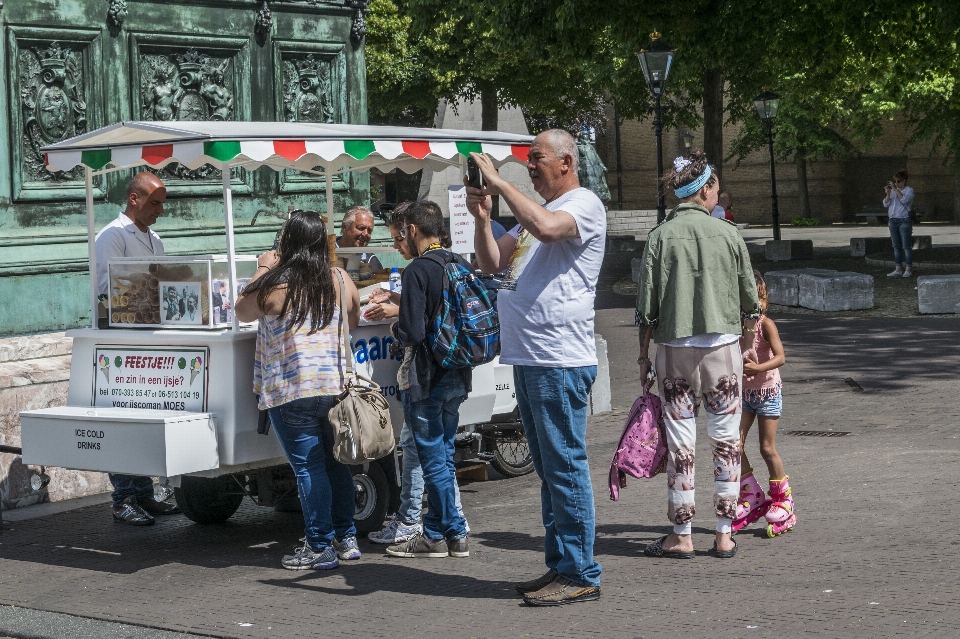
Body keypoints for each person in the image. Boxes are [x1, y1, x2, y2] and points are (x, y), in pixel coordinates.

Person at [466, 129, 605, 606]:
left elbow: (549, 228)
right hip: (530, 357)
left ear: (566, 161)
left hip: (558, 358)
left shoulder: (583, 203)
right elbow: (489, 263)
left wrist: (500, 184)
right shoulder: (529, 219)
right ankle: (561, 565)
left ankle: (580, 572)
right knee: (549, 470)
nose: (529, 167)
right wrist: (483, 219)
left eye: (537, 159)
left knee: (565, 466)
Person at [636, 152, 761, 561]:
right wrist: (746, 339)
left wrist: (642, 356)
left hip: (673, 351)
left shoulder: (659, 237)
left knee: (680, 446)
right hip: (722, 351)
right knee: (726, 441)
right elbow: (749, 300)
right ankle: (725, 532)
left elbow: (647, 308)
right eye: (716, 187)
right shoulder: (728, 234)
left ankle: (682, 532)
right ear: (705, 190)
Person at [235, 210, 362, 570]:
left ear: (287, 243)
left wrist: (263, 266)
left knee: (309, 469)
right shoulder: (339, 278)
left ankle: (319, 545)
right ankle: (345, 538)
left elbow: (242, 310)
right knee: (336, 464)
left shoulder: (278, 284)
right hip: (335, 386)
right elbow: (352, 320)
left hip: (293, 390)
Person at [365, 203, 470, 545]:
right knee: (445, 454)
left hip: (426, 378)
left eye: (401, 234)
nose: (400, 243)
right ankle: (438, 532)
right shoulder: (458, 263)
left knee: (431, 458)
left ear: (412, 229)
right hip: (458, 374)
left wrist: (396, 327)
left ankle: (451, 531)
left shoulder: (417, 270)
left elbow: (412, 331)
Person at [94, 172, 181, 526]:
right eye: (154, 202)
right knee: (122, 418)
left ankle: (144, 494)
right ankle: (123, 497)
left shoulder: (154, 239)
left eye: (162, 203)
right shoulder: (111, 237)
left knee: (145, 416)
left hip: (150, 336)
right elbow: (107, 288)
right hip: (120, 339)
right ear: (134, 199)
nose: (160, 210)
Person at [734, 270, 795, 537]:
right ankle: (752, 493)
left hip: (768, 392)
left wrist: (758, 368)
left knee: (767, 448)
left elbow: (781, 357)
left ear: (764, 300)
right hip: (744, 395)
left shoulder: (765, 324)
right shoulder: (735, 327)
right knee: (733, 446)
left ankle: (783, 500)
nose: (755, 305)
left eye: (759, 299)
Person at [883, 170, 915, 277]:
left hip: (904, 220)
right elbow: (886, 204)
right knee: (896, 246)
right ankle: (898, 269)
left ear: (904, 181)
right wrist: (888, 194)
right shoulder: (893, 192)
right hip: (893, 220)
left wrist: (896, 190)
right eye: (895, 181)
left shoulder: (909, 190)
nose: (896, 183)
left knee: (906, 246)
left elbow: (905, 200)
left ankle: (908, 269)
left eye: (899, 181)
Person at [337, 205, 382, 271]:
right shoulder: (325, 254)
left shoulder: (371, 260)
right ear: (344, 227)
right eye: (361, 228)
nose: (365, 234)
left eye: (369, 230)